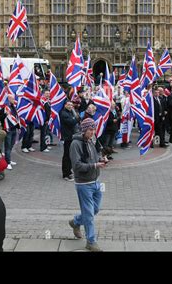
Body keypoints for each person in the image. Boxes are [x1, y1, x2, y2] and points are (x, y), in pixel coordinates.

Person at [68, 118, 107, 252]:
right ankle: (91, 241)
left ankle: (76, 222)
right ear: (84, 130)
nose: (93, 132)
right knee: (89, 214)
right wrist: (95, 165)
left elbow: (94, 157)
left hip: (96, 182)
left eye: (94, 129)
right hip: (84, 184)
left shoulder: (91, 141)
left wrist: (100, 159)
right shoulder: (75, 144)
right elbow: (77, 166)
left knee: (95, 210)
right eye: (90, 129)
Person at [0, 94, 19, 170]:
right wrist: (5, 114)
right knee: (7, 146)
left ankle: (8, 158)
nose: (14, 100)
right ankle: (7, 162)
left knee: (11, 145)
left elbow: (16, 117)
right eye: (12, 99)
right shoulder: (2, 108)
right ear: (8, 99)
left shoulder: (13, 107)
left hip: (14, 129)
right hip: (7, 129)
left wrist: (18, 126)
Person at [60, 100, 79, 181]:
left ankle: (69, 171)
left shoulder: (70, 112)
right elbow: (72, 122)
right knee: (67, 156)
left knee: (71, 155)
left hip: (72, 136)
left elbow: (75, 119)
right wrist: (76, 118)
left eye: (71, 105)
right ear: (65, 105)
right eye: (68, 105)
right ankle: (66, 174)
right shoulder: (64, 113)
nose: (70, 106)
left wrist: (75, 118)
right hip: (67, 137)